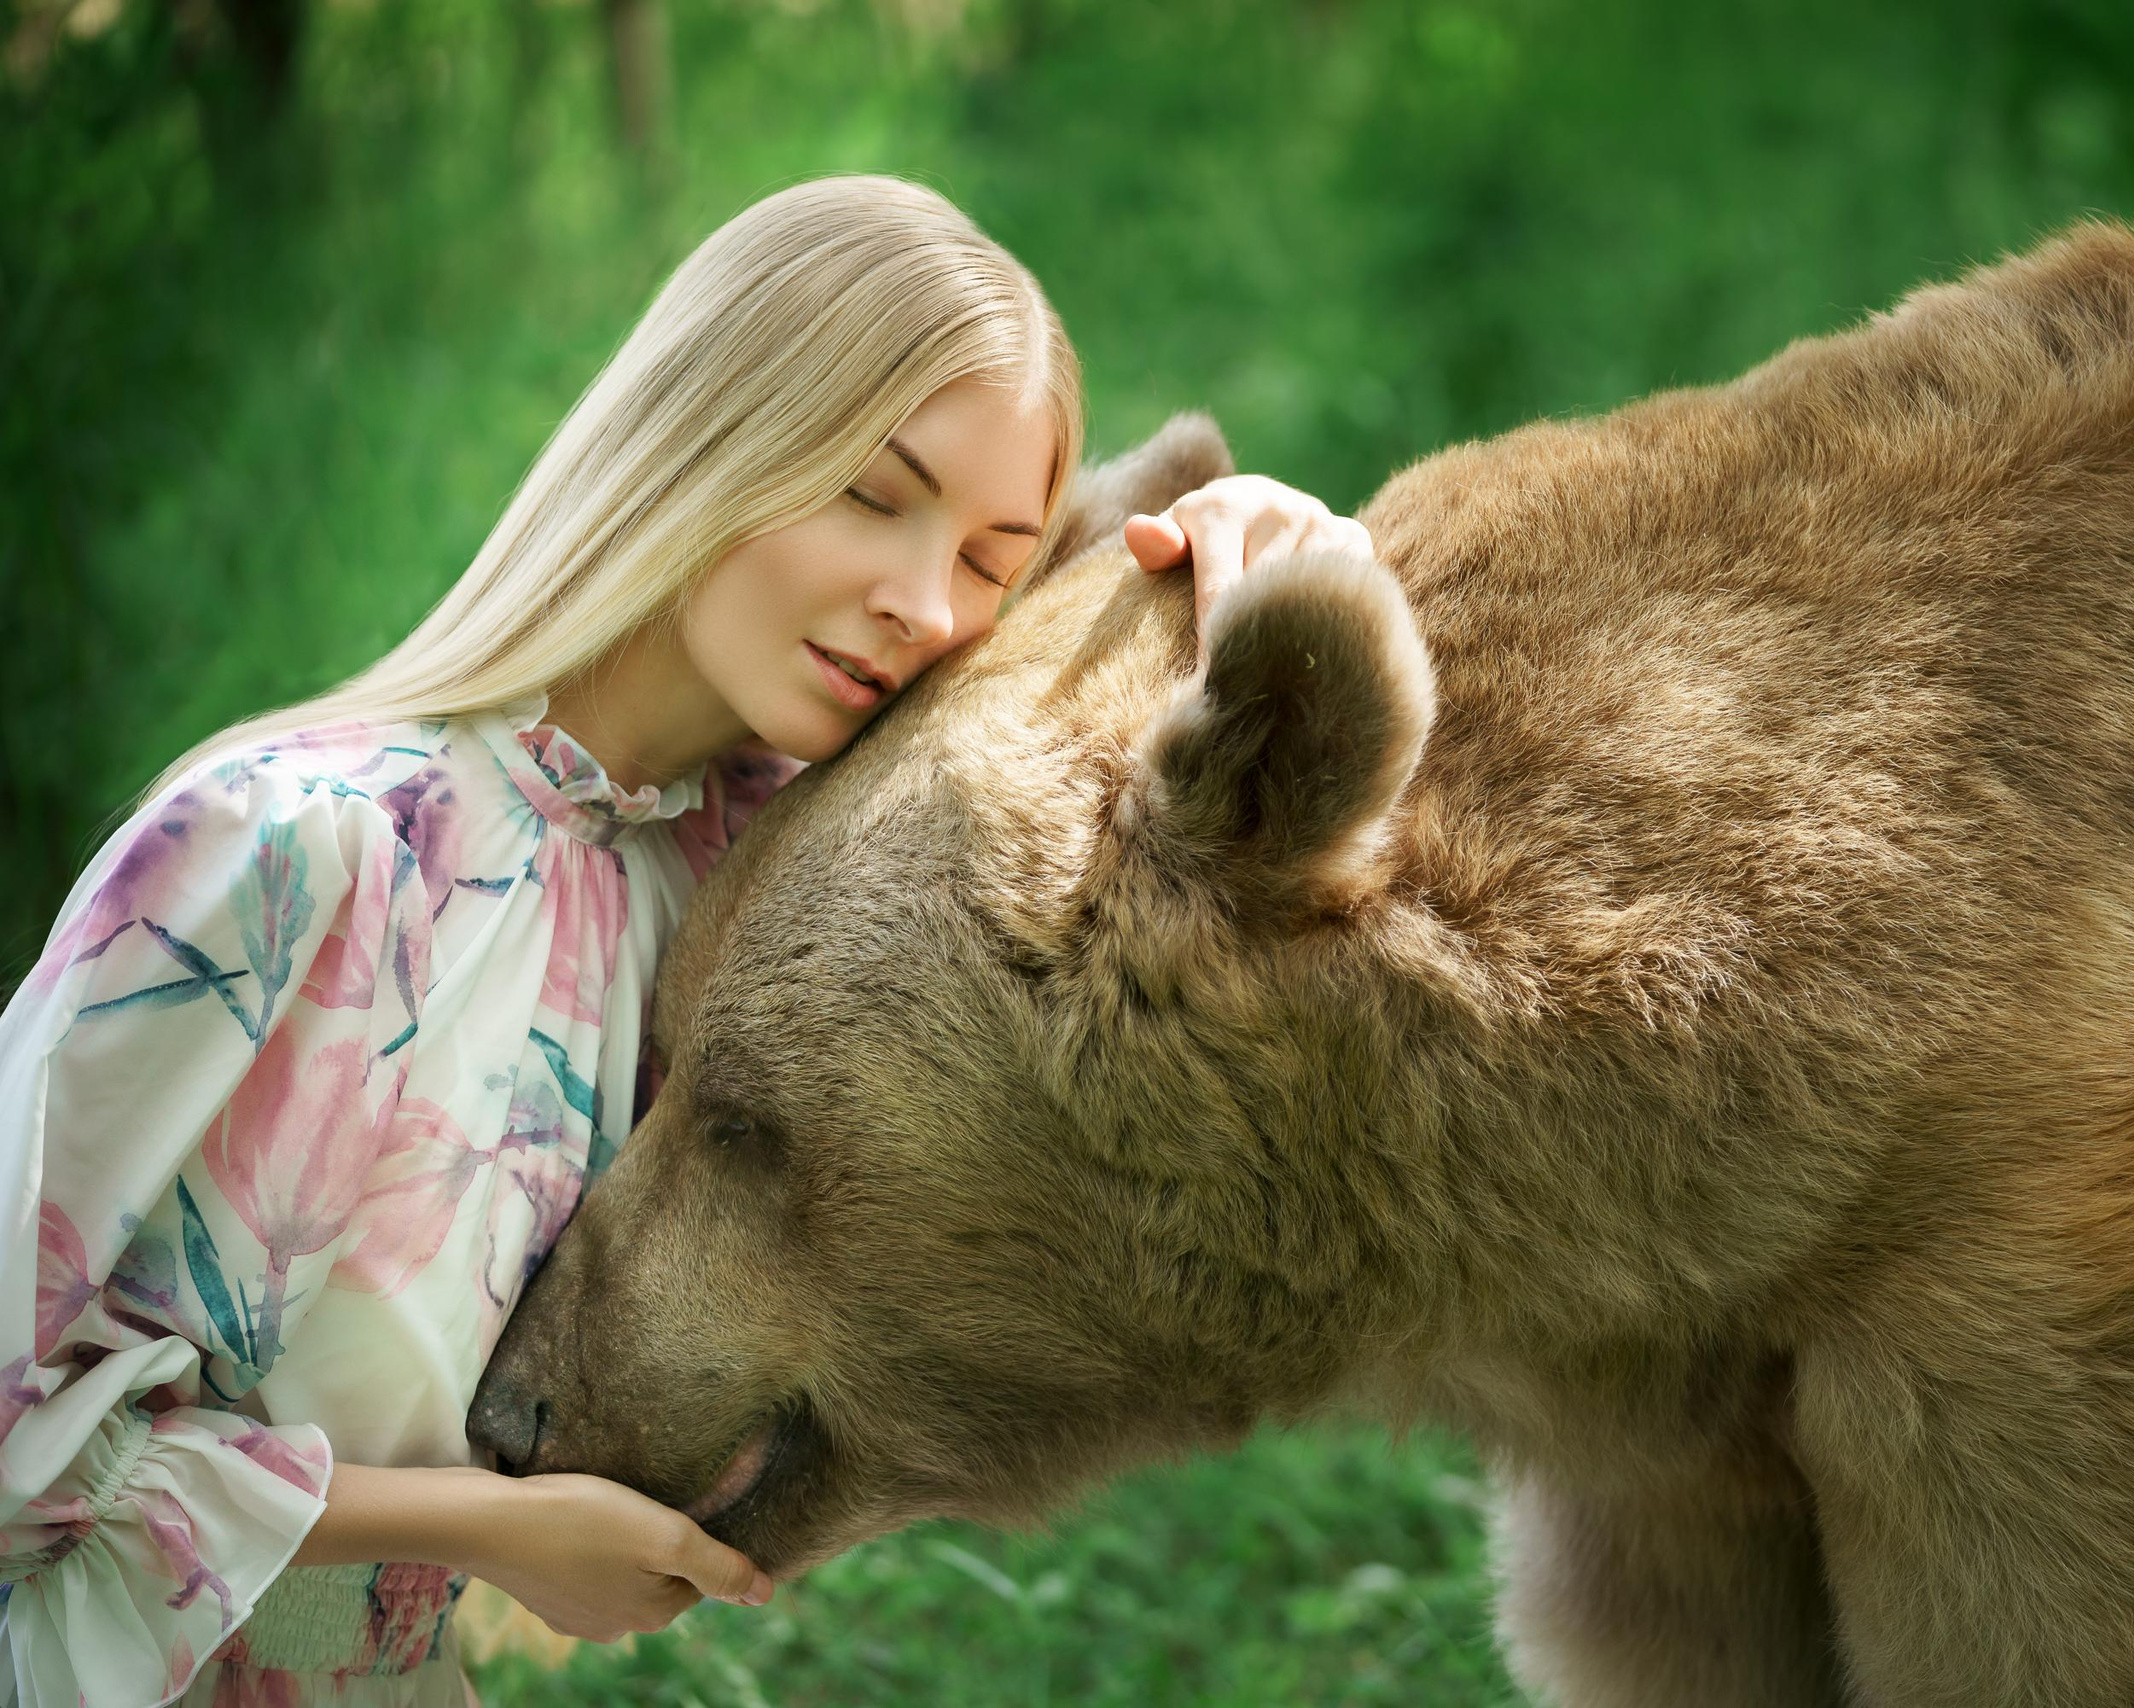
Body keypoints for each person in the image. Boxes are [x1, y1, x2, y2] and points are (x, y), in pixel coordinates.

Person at [0, 174, 1373, 1707]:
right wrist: (493, 1530)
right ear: (716, 430)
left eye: (991, 560)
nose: (922, 602)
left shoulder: (740, 880)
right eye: (872, 494)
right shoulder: (290, 850)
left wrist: (1259, 535)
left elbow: (1083, 726)